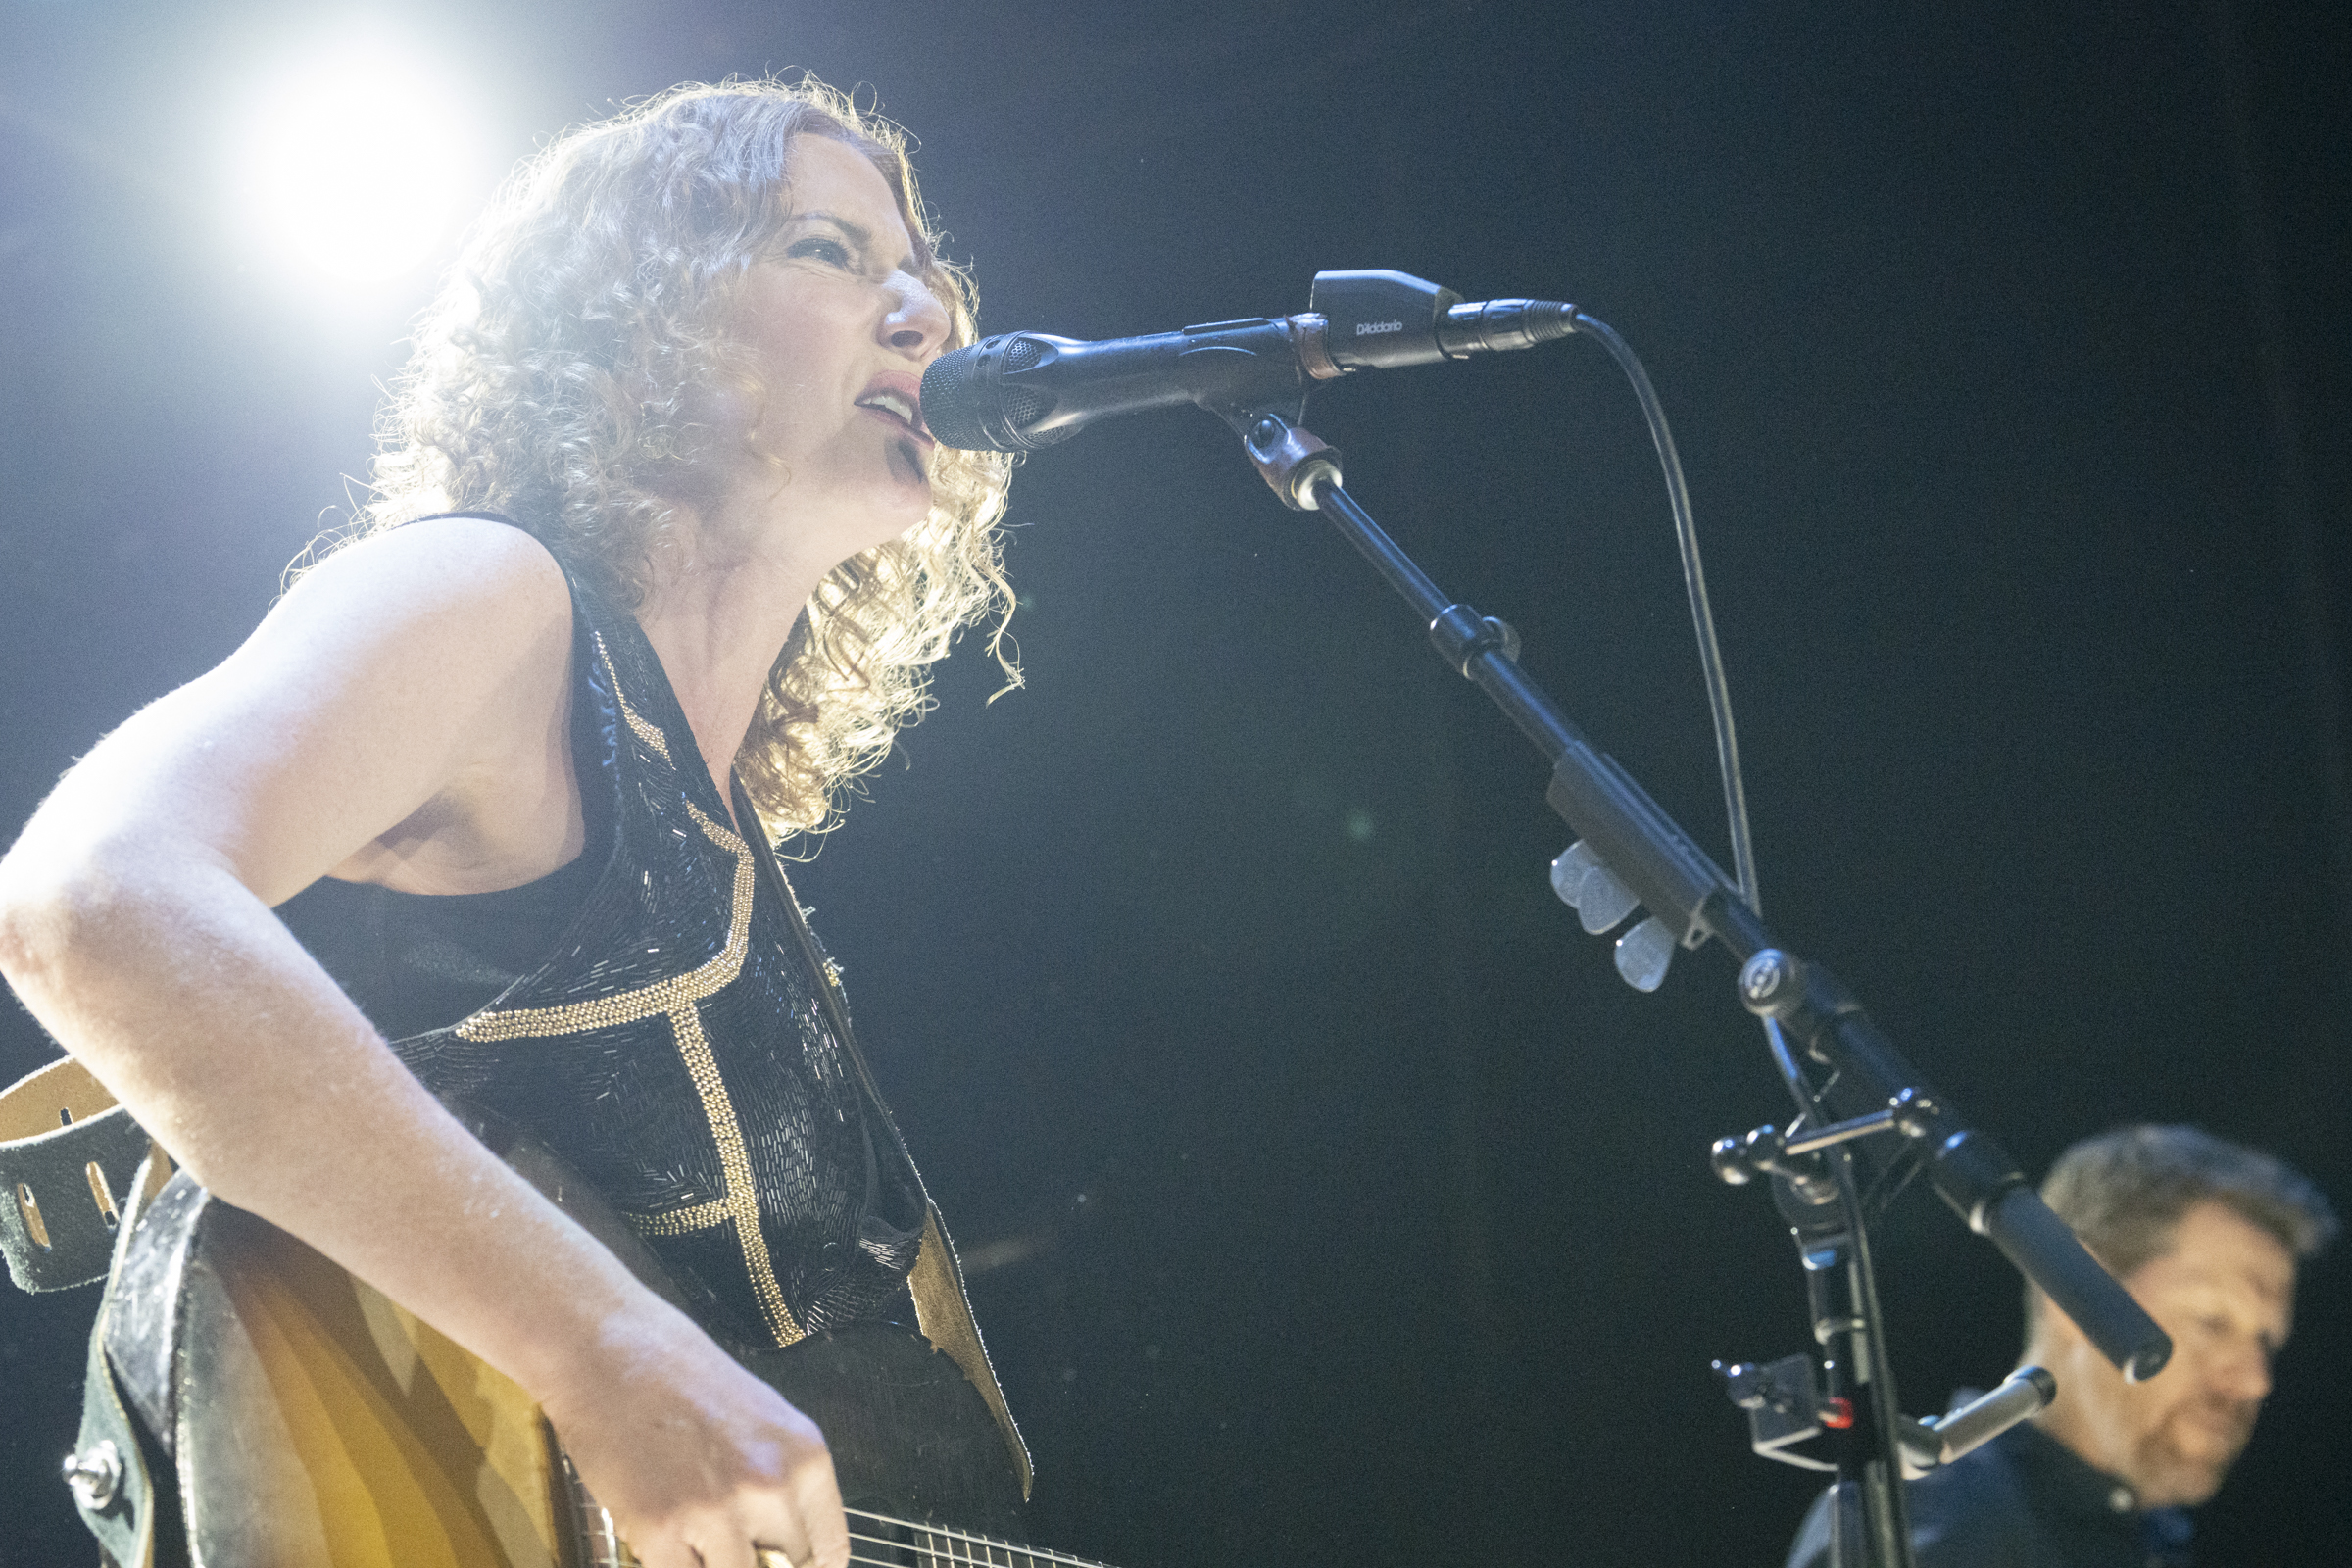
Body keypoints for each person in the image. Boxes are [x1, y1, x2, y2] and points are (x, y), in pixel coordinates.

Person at [0, 79, 1019, 1568]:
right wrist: (604, 1351)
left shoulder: (714, 824)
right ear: (634, 317)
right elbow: (95, 896)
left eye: (921, 272)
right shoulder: (492, 595)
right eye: (829, 250)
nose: (923, 311)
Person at [1786, 1124, 2336, 1568]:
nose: (2256, 1380)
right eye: (2213, 1322)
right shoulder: (1936, 1520)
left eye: (2266, 1341)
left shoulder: (2146, 1537)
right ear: (2074, 1291)